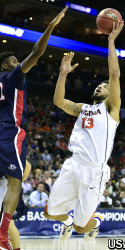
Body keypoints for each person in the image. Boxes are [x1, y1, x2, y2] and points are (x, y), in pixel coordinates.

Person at [44, 20, 124, 241]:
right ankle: (67, 222)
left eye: (105, 86)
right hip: (73, 164)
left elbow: (114, 73)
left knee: (82, 229)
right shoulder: (83, 109)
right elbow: (59, 101)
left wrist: (110, 41)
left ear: (112, 93)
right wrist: (63, 73)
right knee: (49, 212)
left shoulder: (111, 109)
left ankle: (94, 221)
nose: (100, 86)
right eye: (99, 85)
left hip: (94, 171)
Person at [0, 6, 68, 249]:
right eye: (14, 61)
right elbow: (36, 53)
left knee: (22, 171)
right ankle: (2, 232)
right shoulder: (12, 77)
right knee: (17, 181)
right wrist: (51, 26)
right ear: (6, 67)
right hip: (9, 130)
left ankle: (6, 233)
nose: (18, 63)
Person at [0, 161, 31, 250]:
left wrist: (15, 185)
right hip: (3, 187)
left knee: (9, 222)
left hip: (10, 190)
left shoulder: (9, 148)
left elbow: (27, 166)